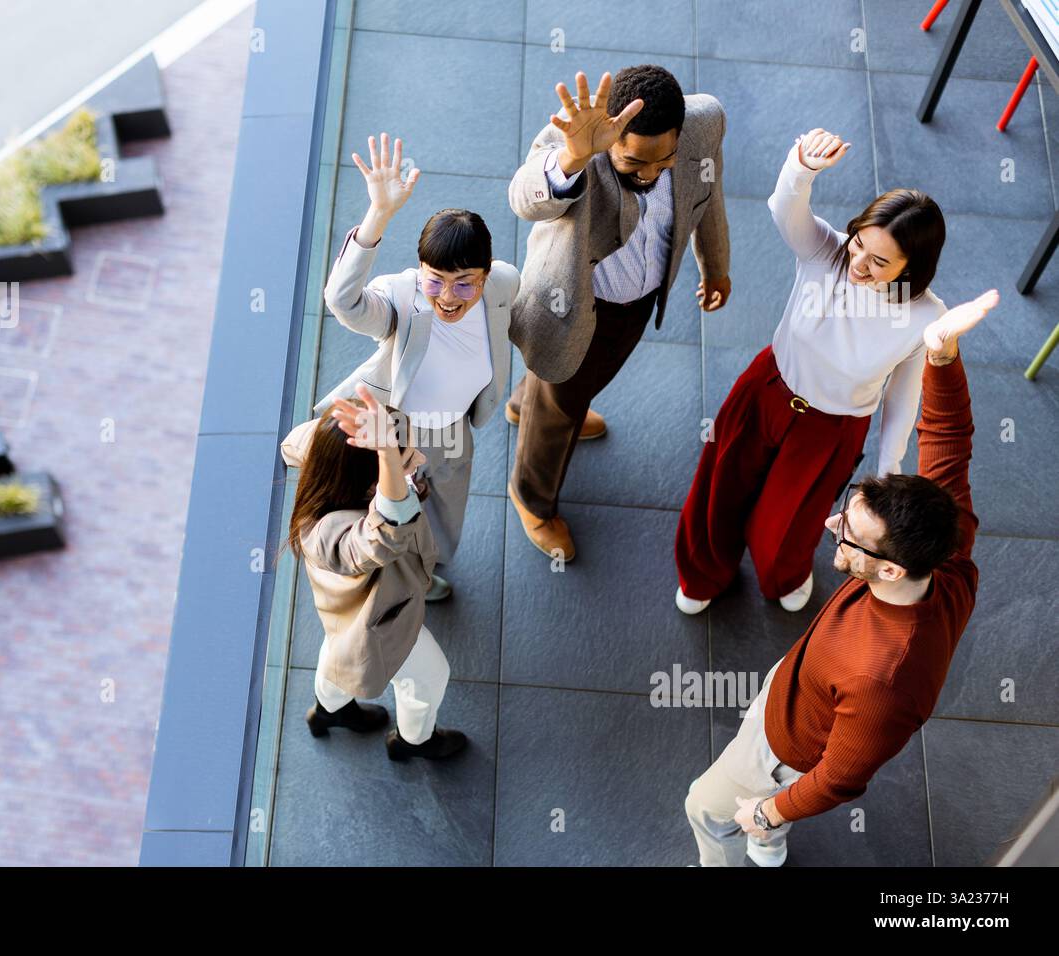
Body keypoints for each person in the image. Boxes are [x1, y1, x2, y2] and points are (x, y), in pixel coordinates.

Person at [683, 290, 995, 866]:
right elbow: (951, 443)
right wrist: (942, 356)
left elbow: (839, 779)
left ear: (890, 568)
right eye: (847, 510)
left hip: (786, 749)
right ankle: (769, 846)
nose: (830, 523)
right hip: (800, 688)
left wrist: (768, 811)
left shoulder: (885, 681)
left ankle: (749, 843)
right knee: (756, 787)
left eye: (847, 533)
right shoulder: (945, 543)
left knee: (704, 806)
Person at [675, 128, 949, 614]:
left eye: (880, 260)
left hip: (834, 426)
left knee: (792, 519)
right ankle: (703, 573)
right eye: (860, 243)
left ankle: (782, 574)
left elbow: (905, 394)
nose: (859, 262)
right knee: (720, 486)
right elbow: (785, 207)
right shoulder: (826, 250)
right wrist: (802, 166)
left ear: (911, 267)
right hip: (768, 390)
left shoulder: (927, 316)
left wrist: (889, 468)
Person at [504, 64, 731, 560]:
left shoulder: (705, 121)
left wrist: (716, 266)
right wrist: (571, 156)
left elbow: (707, 195)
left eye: (663, 160)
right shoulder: (577, 140)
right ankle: (532, 500)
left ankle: (530, 400)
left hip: (634, 303)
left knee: (568, 386)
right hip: (573, 302)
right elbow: (524, 198)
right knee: (560, 408)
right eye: (633, 163)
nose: (649, 174)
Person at [319, 133, 521, 601]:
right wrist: (379, 215)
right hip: (392, 429)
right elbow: (343, 302)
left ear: (487, 274)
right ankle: (390, 576)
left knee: (446, 508)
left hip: (452, 430)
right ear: (420, 271)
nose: (449, 297)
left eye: (464, 284)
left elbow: (516, 322)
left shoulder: (504, 284)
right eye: (436, 282)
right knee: (385, 506)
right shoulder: (402, 298)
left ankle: (426, 569)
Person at [280, 383, 467, 761]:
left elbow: (293, 443)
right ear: (370, 478)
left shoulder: (324, 452)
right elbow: (388, 531)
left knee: (338, 650)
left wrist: (374, 430)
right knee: (428, 677)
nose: (416, 456)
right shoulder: (337, 537)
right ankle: (414, 741)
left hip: (348, 612)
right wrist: (387, 453)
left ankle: (329, 712)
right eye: (403, 458)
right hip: (384, 621)